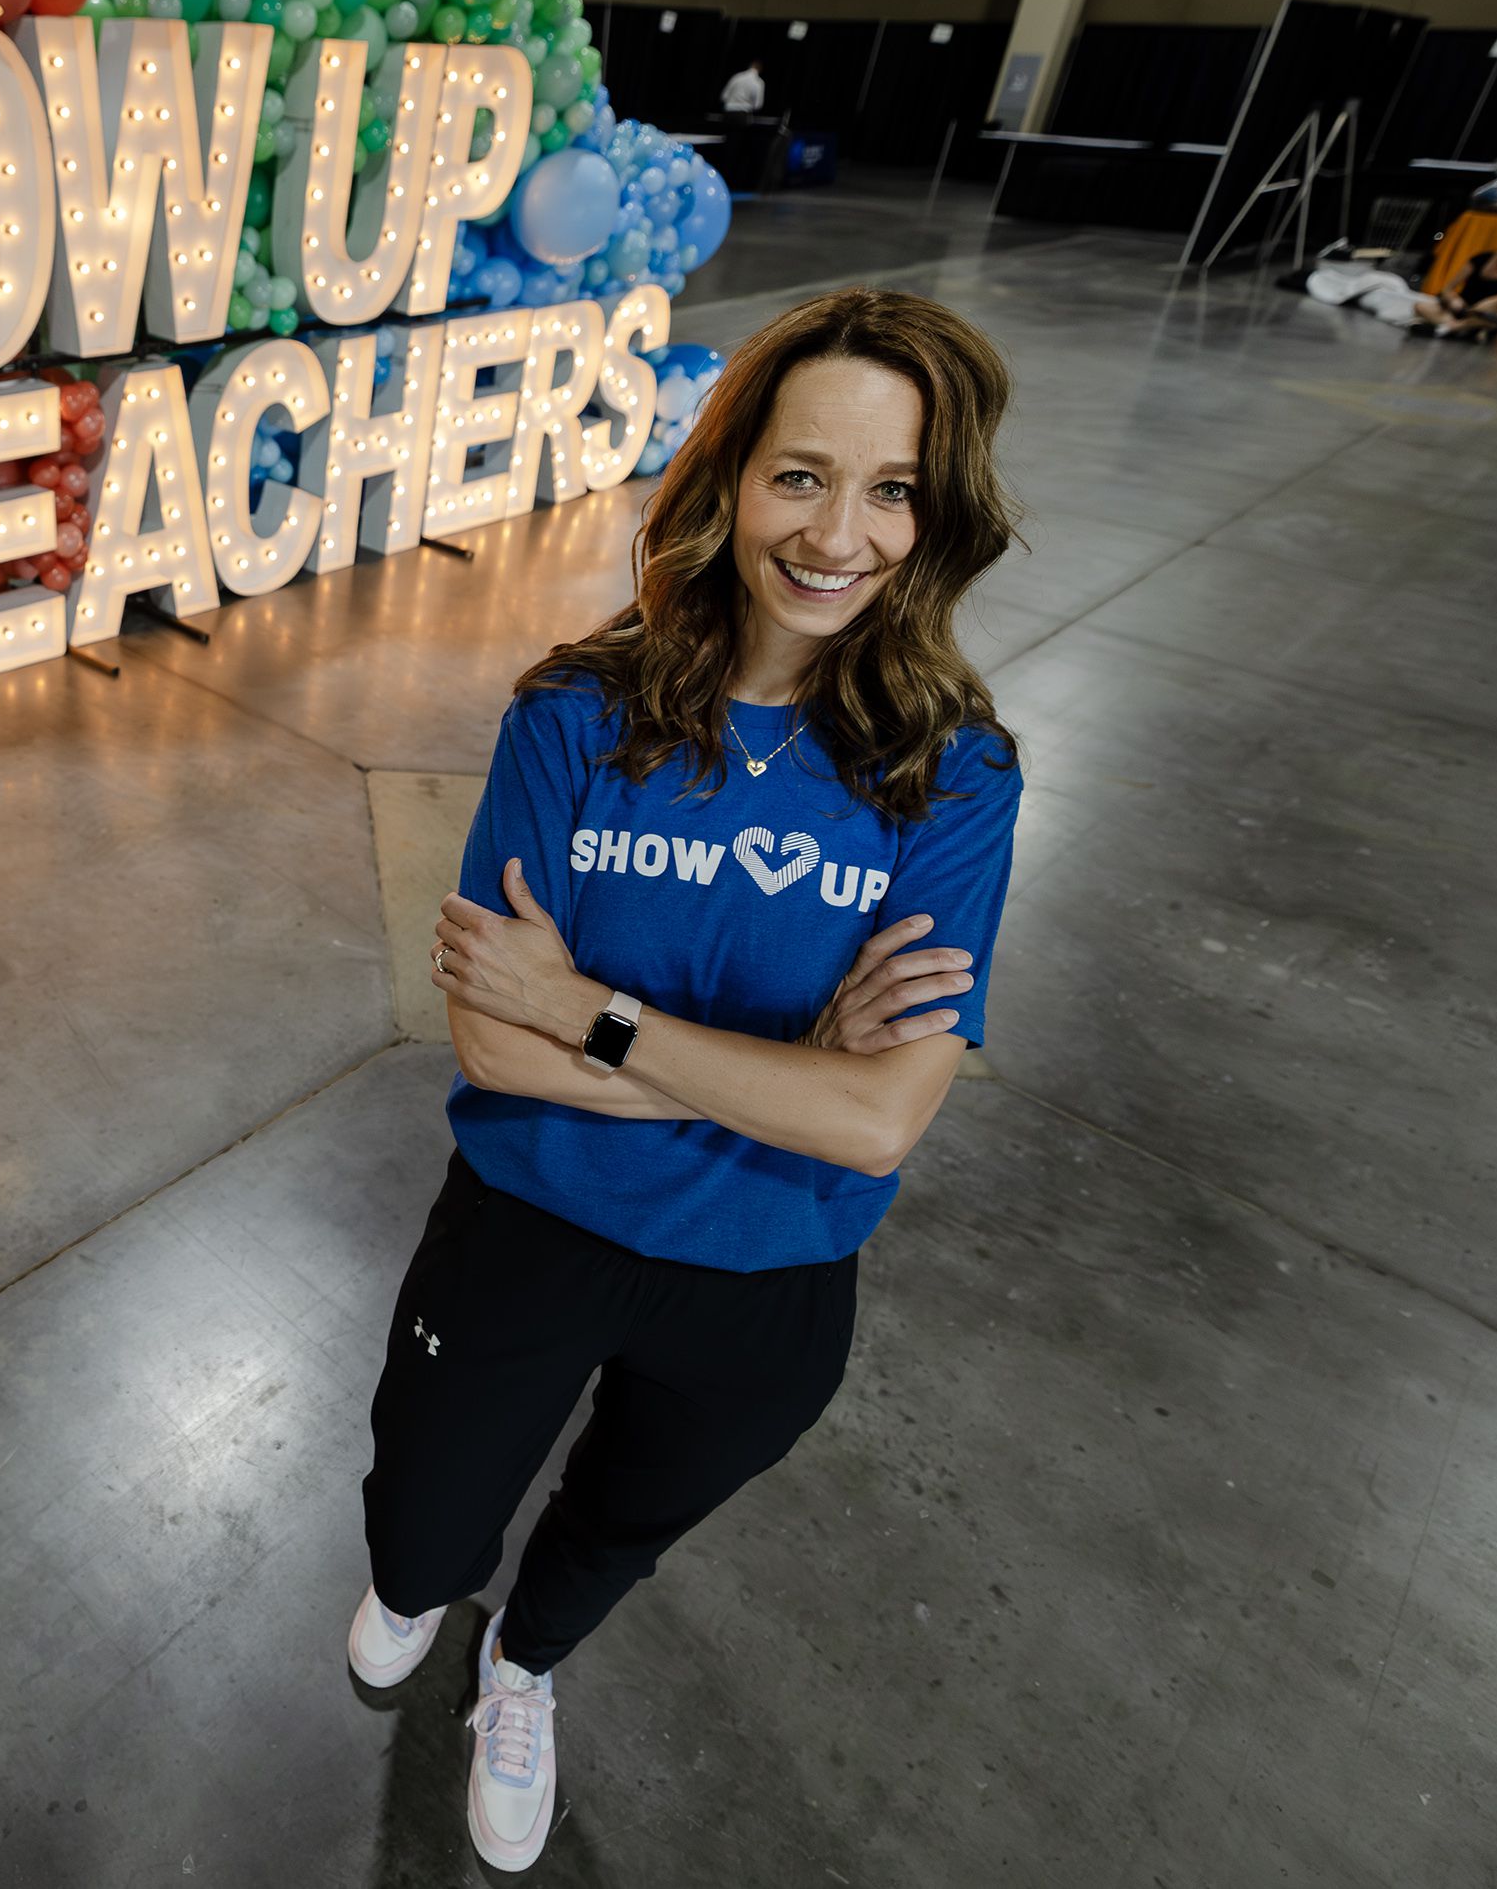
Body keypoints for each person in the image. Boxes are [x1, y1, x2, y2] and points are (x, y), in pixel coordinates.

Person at [351, 287, 1025, 1873]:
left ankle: (520, 1667)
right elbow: (491, 1041)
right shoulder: (577, 713)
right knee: (420, 1527)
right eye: (801, 474)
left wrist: (602, 1013)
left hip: (771, 1272)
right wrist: (787, 1069)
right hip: (532, 1219)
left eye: (892, 488)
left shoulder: (955, 770)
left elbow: (881, 1117)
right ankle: (424, 1592)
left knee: (621, 1523)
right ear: (726, 481)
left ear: (939, 516)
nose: (837, 534)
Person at [1411, 226, 1497, 339]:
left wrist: (1489, 302)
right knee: (1420, 306)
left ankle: (1450, 328)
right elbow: (1448, 288)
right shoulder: (1480, 258)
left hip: (1488, 311)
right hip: (1465, 306)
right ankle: (1464, 330)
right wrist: (1453, 298)